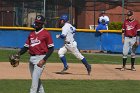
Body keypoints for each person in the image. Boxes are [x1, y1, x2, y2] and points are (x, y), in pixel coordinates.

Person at [17, 15, 54, 93]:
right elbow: (25, 47)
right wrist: (18, 54)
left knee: (34, 83)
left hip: (40, 58)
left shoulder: (46, 33)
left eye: (39, 23)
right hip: (31, 59)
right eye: (36, 22)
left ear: (42, 24)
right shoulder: (31, 34)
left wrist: (44, 60)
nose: (37, 24)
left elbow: (51, 49)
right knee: (36, 80)